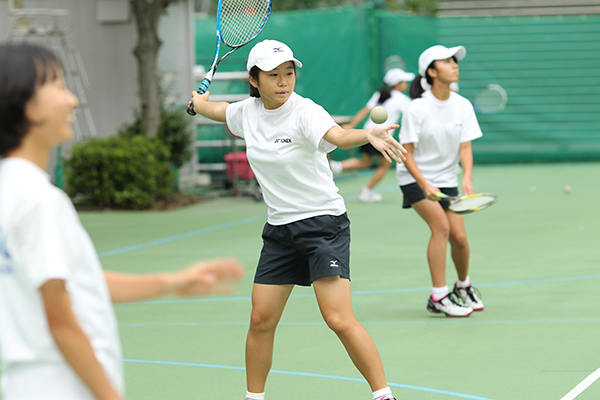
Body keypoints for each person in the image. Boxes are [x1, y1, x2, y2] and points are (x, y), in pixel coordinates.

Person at [0, 43, 244, 400]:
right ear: (24, 102)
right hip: (62, 386)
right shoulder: (40, 201)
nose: (72, 100)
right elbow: (61, 321)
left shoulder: (10, 190)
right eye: (57, 86)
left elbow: (77, 285)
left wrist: (173, 282)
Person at [190, 39, 406, 400]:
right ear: (254, 79)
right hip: (280, 230)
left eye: (288, 73)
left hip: (323, 224)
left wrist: (367, 134)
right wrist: (198, 104)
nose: (283, 81)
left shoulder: (306, 112)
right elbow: (218, 110)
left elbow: (338, 135)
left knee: (338, 319)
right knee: (260, 320)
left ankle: (384, 395)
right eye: (273, 75)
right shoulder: (247, 112)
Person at [396, 45, 485, 318]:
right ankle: (438, 296)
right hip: (414, 176)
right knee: (442, 228)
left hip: (447, 177)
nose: (454, 65)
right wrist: (423, 184)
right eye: (446, 62)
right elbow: (405, 152)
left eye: (454, 61)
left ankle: (463, 285)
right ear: (432, 72)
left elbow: (465, 148)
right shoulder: (417, 109)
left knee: (459, 238)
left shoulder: (462, 105)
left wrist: (467, 177)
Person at [330, 68, 414, 203]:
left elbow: (365, 110)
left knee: (366, 162)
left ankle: (336, 166)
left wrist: (352, 124)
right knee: (385, 165)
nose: (406, 84)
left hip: (367, 133)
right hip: (379, 136)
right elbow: (414, 114)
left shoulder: (379, 94)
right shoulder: (401, 99)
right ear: (397, 83)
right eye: (404, 81)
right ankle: (367, 191)